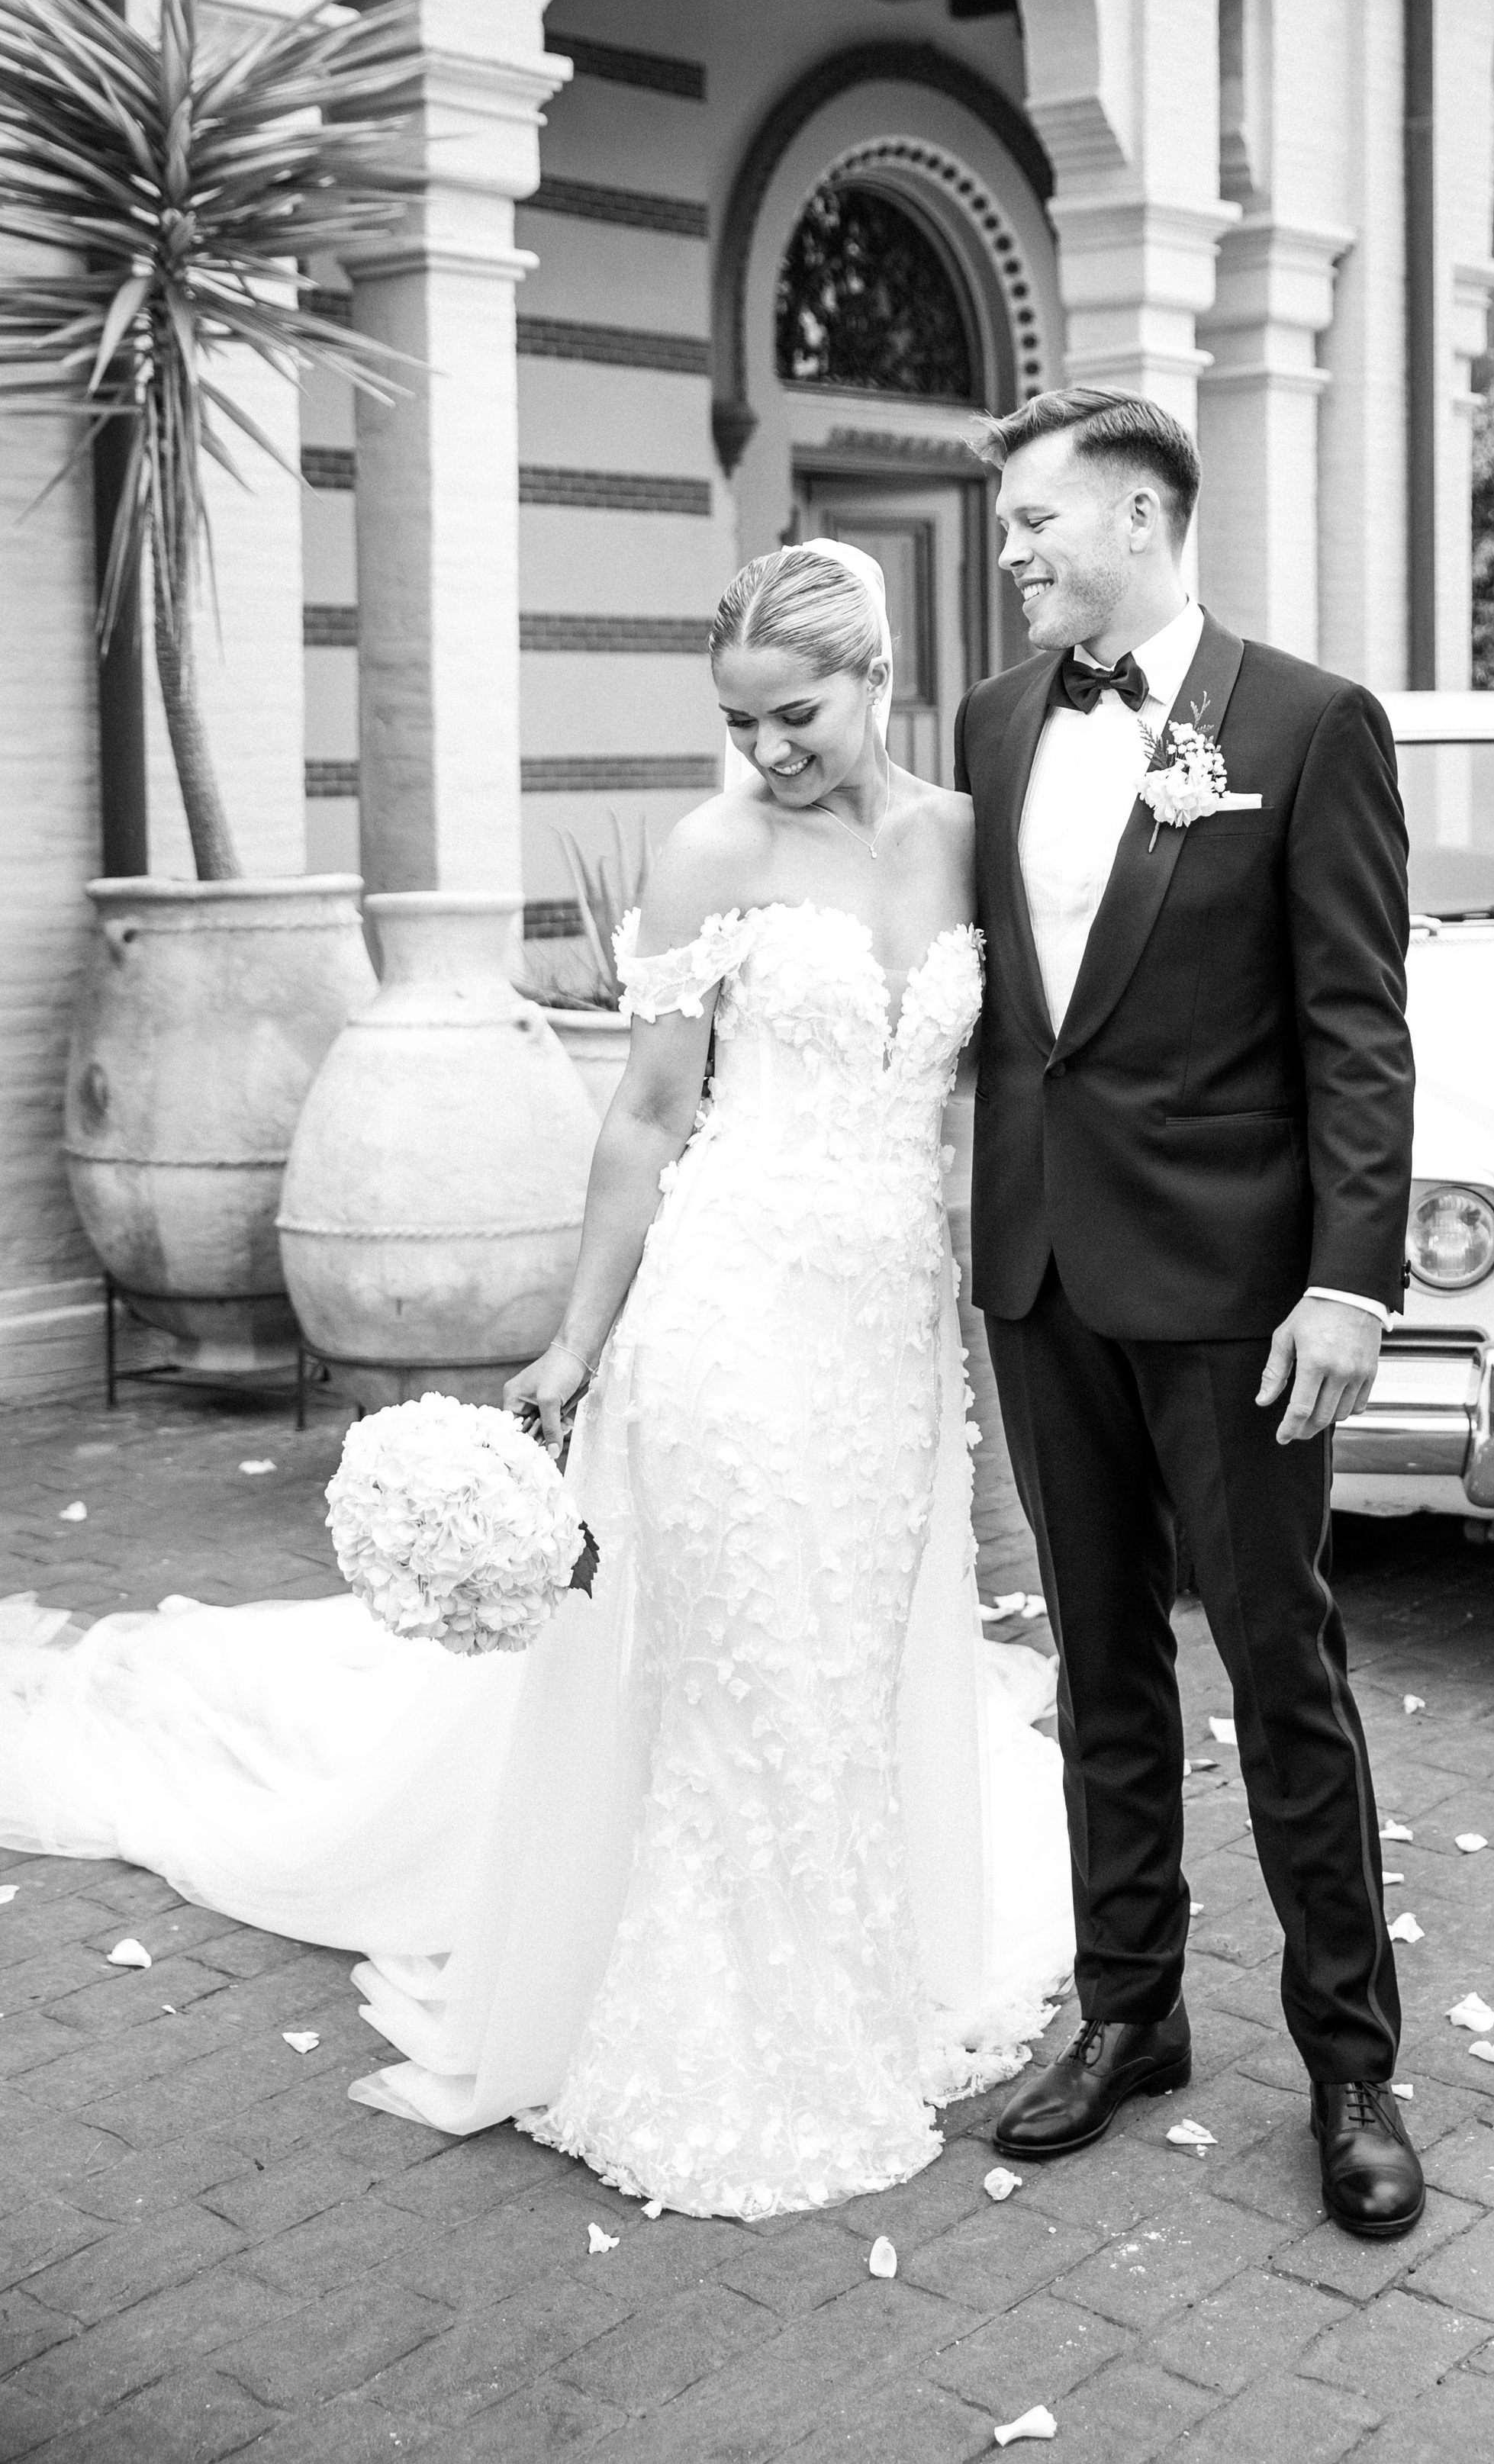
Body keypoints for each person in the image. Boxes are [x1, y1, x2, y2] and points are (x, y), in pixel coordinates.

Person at [0, 539, 1071, 2223]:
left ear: (874, 677)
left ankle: (852, 1966)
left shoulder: (961, 838)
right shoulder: (713, 852)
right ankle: (729, 2030)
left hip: (888, 1337)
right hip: (727, 1313)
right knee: (740, 1664)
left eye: (794, 714)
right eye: (738, 719)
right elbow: (647, 1112)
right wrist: (577, 1342)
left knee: (847, 1656)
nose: (766, 749)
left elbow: (1001, 1088)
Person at [955, 388, 1425, 2239]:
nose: (1009, 551)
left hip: (1238, 1291)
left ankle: (1349, 2066)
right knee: (1097, 1663)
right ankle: (1128, 2011)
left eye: (1035, 521)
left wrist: (1348, 1279)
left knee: (1278, 1667)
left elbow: (1355, 1027)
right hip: (1041, 1273)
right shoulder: (993, 723)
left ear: (1140, 518)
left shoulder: (1307, 725)